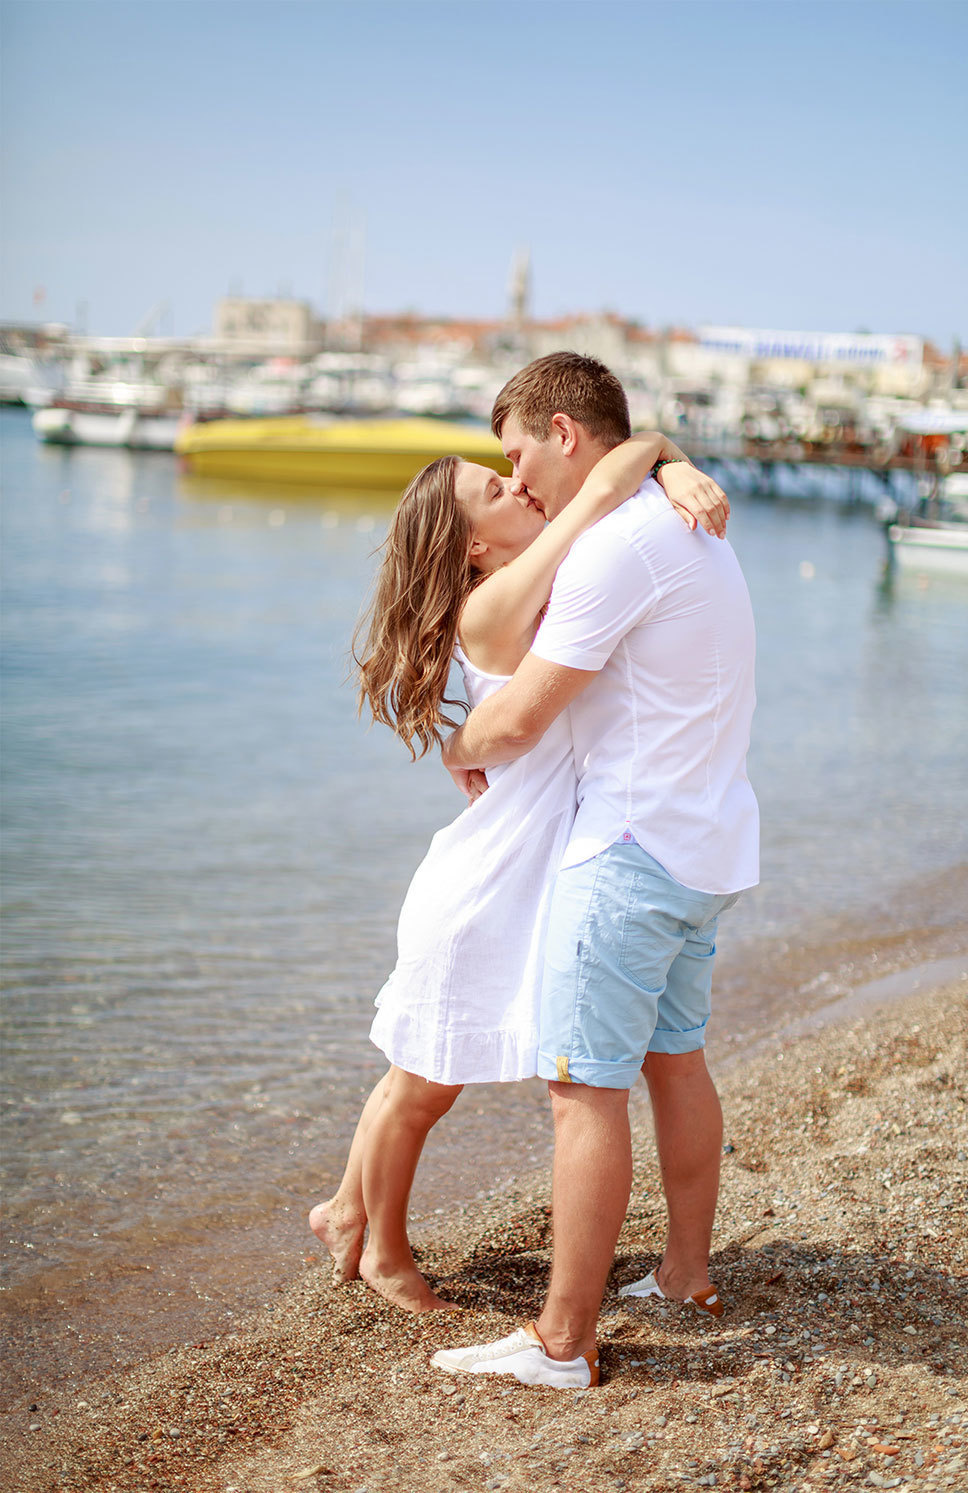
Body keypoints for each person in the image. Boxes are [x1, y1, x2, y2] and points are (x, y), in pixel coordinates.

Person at [307, 418, 729, 1314]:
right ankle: (379, 1246)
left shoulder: (530, 589)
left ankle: (348, 1207)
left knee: (426, 1072)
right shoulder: (494, 606)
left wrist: (672, 455)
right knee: (422, 1080)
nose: (520, 489)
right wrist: (660, 464)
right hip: (484, 879)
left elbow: (624, 463)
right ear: (470, 542)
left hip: (520, 867)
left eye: (510, 474)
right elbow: (601, 496)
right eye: (494, 492)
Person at [428, 351, 759, 1389]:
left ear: (565, 433)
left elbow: (520, 717)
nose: (517, 480)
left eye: (518, 453)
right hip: (702, 844)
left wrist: (455, 743)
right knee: (676, 1059)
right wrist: (662, 457)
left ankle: (563, 1338)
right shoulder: (685, 523)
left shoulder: (619, 547)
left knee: (581, 1091)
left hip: (625, 853)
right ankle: (684, 1273)